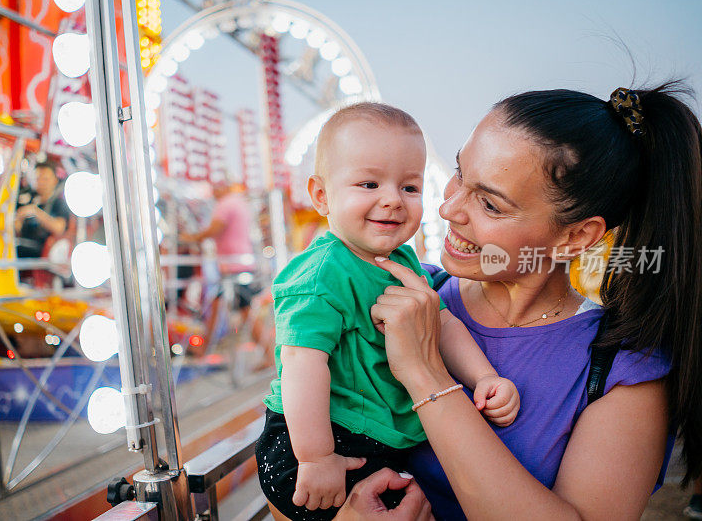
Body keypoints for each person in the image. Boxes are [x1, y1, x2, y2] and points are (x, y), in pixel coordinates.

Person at [336, 83, 702, 519]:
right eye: (459, 172)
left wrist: (425, 374)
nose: (449, 208)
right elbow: (289, 469)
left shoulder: (623, 371)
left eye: (489, 204)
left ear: (575, 237)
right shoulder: (401, 295)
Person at [257, 103, 520, 520]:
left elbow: (440, 322)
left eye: (410, 188)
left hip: (375, 438)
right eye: (368, 183)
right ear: (321, 195)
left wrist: (483, 376)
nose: (393, 200)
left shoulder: (404, 261)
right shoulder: (321, 275)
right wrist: (316, 457)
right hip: (320, 437)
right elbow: (301, 365)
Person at [180, 182, 257, 345]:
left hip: (233, 265)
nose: (212, 191)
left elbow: (216, 228)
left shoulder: (226, 204)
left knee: (244, 310)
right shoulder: (238, 202)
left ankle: (206, 347)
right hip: (238, 262)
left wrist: (192, 237)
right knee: (228, 306)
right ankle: (207, 347)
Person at [15, 160, 70, 259]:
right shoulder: (29, 197)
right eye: (38, 178)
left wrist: (35, 212)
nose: (41, 182)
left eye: (45, 179)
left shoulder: (59, 203)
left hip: (40, 249)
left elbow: (59, 228)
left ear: (55, 180)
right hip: (21, 240)